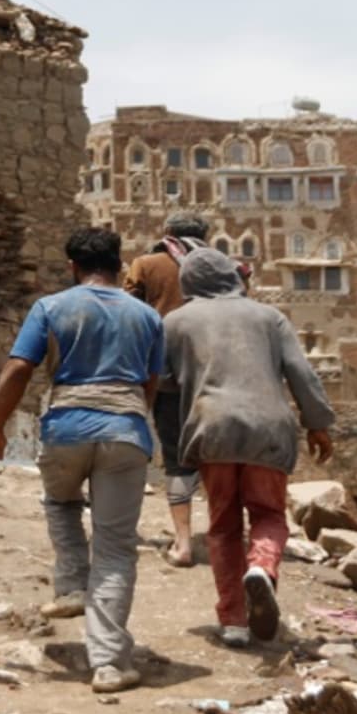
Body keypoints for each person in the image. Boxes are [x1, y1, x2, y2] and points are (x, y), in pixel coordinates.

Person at [0, 227, 166, 694]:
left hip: (65, 426)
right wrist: (131, 416)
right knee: (116, 547)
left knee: (60, 502)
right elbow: (151, 381)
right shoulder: (147, 316)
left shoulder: (51, 306)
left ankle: (71, 586)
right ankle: (108, 664)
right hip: (126, 430)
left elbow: (19, 367)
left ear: (72, 267)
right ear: (120, 266)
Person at [164, 247, 334, 648]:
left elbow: (162, 380)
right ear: (233, 276)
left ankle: (234, 621)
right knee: (269, 514)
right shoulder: (268, 317)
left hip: (212, 428)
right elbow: (300, 373)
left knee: (222, 526)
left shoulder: (174, 322)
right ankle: (261, 568)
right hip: (268, 428)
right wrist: (318, 424)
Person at [123, 213, 209, 568]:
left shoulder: (146, 264)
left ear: (168, 234)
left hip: (166, 374)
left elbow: (130, 313)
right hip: (213, 374)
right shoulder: (219, 267)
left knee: (175, 456)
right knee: (216, 457)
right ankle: (225, 537)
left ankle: (184, 543)